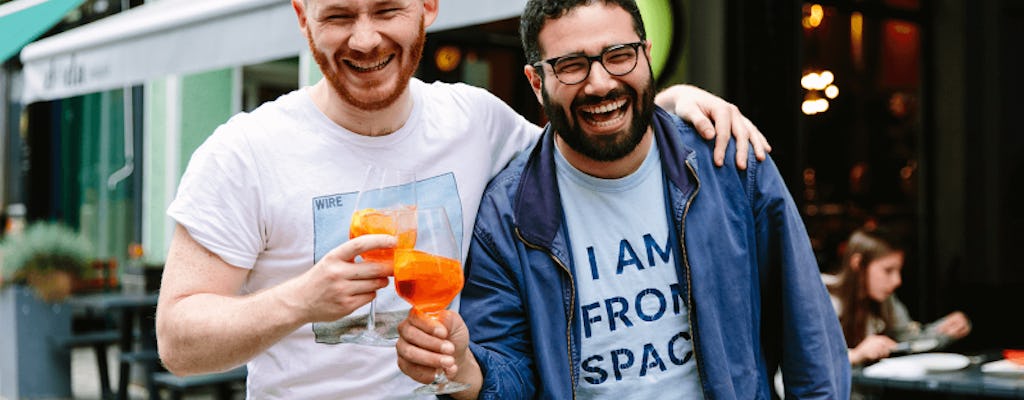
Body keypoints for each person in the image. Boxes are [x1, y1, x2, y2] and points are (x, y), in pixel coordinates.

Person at [154, 0, 770, 398]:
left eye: (387, 10)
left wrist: (668, 103)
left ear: (426, 7)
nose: (364, 39)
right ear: (302, 16)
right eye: (339, 15)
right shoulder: (243, 153)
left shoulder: (476, 120)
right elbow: (178, 341)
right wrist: (299, 300)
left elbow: (584, 148)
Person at [394, 0, 850, 398]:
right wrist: (467, 370)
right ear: (537, 82)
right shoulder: (504, 216)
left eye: (619, 55)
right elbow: (511, 373)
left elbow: (809, 338)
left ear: (646, 56)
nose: (599, 84)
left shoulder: (728, 164)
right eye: (571, 65)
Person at [827, 226, 971, 365]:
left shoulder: (886, 300)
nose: (897, 281)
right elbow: (810, 362)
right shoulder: (823, 300)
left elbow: (908, 341)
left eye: (898, 271)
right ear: (858, 264)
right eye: (888, 270)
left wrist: (945, 330)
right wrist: (857, 354)